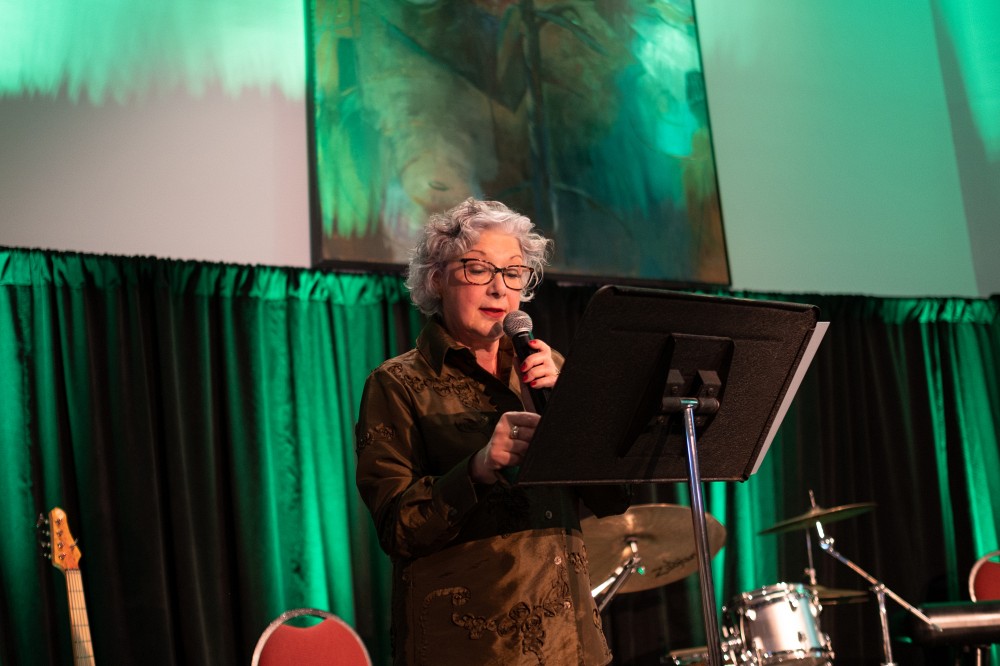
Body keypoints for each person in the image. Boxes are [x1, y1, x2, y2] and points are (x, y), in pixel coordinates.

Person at [355, 198, 630, 665]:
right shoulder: (396, 383)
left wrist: (576, 413)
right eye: (479, 268)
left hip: (573, 645)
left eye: (513, 272)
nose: (499, 288)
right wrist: (477, 469)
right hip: (472, 648)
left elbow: (612, 499)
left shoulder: (548, 367)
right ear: (436, 278)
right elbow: (397, 529)